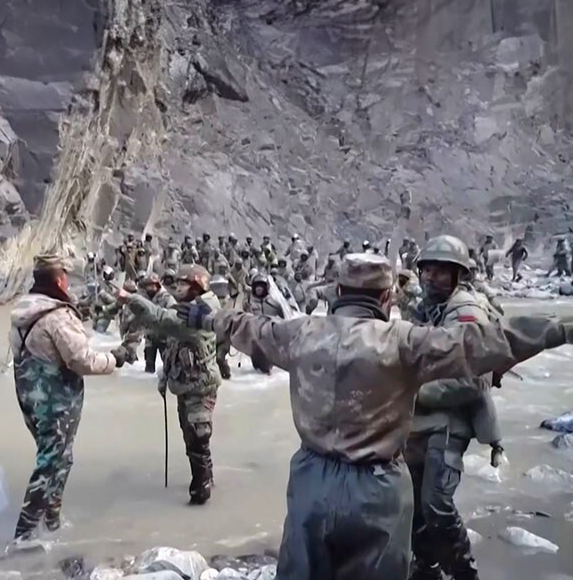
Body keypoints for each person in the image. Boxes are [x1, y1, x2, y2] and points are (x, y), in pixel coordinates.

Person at [154, 253, 573, 580]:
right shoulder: (406, 342)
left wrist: (207, 316)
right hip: (379, 489)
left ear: (337, 291)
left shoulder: (301, 332)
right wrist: (561, 328)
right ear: (387, 298)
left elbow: (248, 327)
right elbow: (488, 341)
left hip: (311, 481)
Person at [8, 255, 129, 551]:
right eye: (66, 277)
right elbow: (82, 360)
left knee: (60, 457)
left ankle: (52, 520)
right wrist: (114, 360)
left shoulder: (23, 311)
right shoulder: (57, 316)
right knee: (51, 462)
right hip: (56, 403)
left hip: (29, 398)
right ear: (60, 280)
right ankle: (23, 536)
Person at [409, 237, 506, 580]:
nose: (430, 278)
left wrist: (417, 394)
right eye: (427, 270)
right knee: (412, 501)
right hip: (419, 418)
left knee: (435, 503)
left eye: (440, 272)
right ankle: (426, 566)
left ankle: (464, 572)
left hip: (453, 416)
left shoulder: (467, 312)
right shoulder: (424, 308)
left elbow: (473, 381)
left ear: (457, 276)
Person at [120, 264, 222, 504]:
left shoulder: (202, 312)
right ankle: (206, 476)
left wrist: (129, 298)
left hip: (200, 385)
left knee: (199, 436)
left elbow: (163, 319)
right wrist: (165, 377)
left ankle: (202, 486)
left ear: (197, 286)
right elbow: (174, 346)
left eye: (183, 284)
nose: (177, 287)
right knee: (190, 438)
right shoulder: (189, 308)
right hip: (184, 382)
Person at [141, 273, 177, 373]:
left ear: (157, 285)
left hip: (164, 337)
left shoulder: (167, 298)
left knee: (168, 366)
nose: (150, 288)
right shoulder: (144, 298)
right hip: (149, 337)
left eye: (152, 285)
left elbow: (174, 314)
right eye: (148, 285)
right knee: (149, 366)